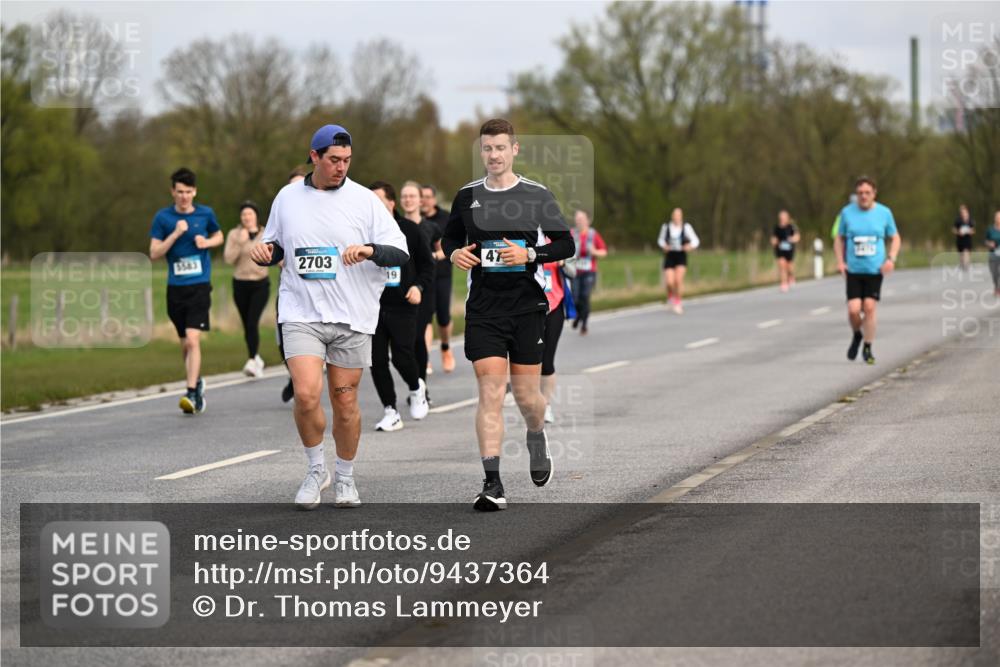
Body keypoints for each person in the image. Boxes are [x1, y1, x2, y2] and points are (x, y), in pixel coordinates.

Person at [250, 124, 409, 510]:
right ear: (315, 156)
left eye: (347, 161)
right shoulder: (287, 197)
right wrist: (264, 253)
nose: (341, 168)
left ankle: (345, 477)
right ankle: (315, 468)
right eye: (334, 160)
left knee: (345, 402)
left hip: (352, 316)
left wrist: (370, 250)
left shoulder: (365, 201)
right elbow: (275, 246)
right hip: (300, 310)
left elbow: (400, 252)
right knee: (306, 395)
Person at [443, 118, 574, 512]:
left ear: (514, 150)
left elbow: (565, 243)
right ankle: (492, 483)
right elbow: (451, 236)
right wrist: (454, 253)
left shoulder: (535, 195)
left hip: (526, 307)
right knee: (490, 391)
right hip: (483, 309)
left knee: (527, 397)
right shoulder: (467, 196)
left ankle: (536, 432)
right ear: (480, 152)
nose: (494, 155)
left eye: (501, 148)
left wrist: (530, 254)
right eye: (487, 148)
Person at [149, 167, 223, 414]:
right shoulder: (163, 218)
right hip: (176, 289)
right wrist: (175, 234)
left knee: (193, 340)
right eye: (179, 192)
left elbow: (219, 236)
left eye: (188, 192)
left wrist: (207, 242)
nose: (184, 196)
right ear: (173, 191)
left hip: (199, 286)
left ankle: (191, 393)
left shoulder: (206, 214)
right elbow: (154, 253)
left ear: (195, 191)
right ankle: (197, 381)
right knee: (185, 346)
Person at [369, 180, 434, 431]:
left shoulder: (409, 229)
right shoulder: (364, 232)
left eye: (380, 201)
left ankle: (417, 388)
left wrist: (418, 287)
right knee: (376, 360)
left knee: (401, 356)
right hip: (373, 306)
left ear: (391, 202)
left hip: (403, 304)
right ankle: (390, 410)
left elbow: (427, 266)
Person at [834, 176, 902, 365]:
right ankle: (857, 334)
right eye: (860, 193)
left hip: (874, 269)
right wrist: (840, 261)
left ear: (874, 193)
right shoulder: (847, 213)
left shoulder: (884, 212)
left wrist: (891, 258)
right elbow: (839, 239)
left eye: (867, 193)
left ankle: (867, 346)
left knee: (870, 307)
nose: (863, 196)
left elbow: (895, 237)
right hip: (854, 269)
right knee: (853, 310)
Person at [400, 181, 441, 398]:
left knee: (417, 337)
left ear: (420, 200)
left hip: (424, 287)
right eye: (404, 196)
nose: (408, 200)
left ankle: (420, 387)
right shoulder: (394, 225)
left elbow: (443, 249)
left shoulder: (430, 227)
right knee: (405, 342)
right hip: (400, 288)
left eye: (412, 196)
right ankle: (414, 384)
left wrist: (432, 257)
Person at [224, 200, 269, 378]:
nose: (247, 217)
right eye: (244, 214)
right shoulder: (235, 234)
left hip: (260, 283)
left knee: (252, 322)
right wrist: (240, 243)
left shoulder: (266, 233)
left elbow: (271, 255)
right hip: (240, 283)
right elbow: (229, 259)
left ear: (256, 216)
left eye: (250, 214)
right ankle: (256, 358)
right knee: (247, 325)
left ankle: (251, 359)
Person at [279, 167, 308, 403]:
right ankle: (295, 376)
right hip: (291, 292)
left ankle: (307, 376)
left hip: (323, 294)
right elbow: (271, 245)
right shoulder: (282, 211)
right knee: (284, 340)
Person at [421, 184, 456, 372]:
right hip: (422, 276)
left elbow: (450, 246)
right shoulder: (414, 218)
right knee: (425, 317)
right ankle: (425, 358)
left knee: (443, 317)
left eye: (427, 196)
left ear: (433, 199)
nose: (424, 200)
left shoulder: (445, 218)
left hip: (442, 273)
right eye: (421, 196)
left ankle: (445, 347)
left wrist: (434, 256)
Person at [569, 209, 607, 334]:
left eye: (582, 219)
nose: (579, 221)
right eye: (577, 219)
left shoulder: (592, 234)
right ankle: (579, 316)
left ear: (587, 221)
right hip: (574, 271)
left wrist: (595, 252)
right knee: (575, 298)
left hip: (589, 271)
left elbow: (604, 252)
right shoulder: (572, 233)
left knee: (585, 297)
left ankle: (584, 324)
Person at [657, 208, 700, 314]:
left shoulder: (686, 227)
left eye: (678, 215)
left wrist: (690, 246)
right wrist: (664, 246)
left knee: (678, 280)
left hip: (681, 255)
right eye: (675, 215)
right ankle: (670, 296)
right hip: (670, 255)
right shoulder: (666, 227)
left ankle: (678, 302)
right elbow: (660, 240)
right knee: (669, 282)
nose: (676, 217)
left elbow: (696, 240)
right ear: (672, 216)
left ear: (681, 216)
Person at [771, 209, 801, 292]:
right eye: (781, 217)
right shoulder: (777, 227)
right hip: (780, 249)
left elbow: (797, 237)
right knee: (782, 264)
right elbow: (774, 238)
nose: (783, 219)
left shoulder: (792, 227)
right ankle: (783, 283)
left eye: (784, 217)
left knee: (789, 267)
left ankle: (790, 276)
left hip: (789, 249)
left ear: (788, 218)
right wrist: (774, 242)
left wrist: (792, 239)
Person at [953, 204, 975, 272]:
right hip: (960, 239)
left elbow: (973, 230)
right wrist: (959, 232)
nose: (963, 213)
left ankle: (967, 265)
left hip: (967, 239)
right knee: (961, 254)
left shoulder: (970, 220)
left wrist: (969, 232)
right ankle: (962, 264)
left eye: (964, 211)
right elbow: (954, 229)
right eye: (961, 212)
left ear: (966, 211)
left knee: (967, 252)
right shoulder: (958, 220)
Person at [986, 210, 1000, 297]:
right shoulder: (990, 230)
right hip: (993, 254)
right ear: (995, 219)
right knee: (994, 273)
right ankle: (996, 287)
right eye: (997, 218)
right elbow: (985, 240)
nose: (999, 219)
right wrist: (989, 243)